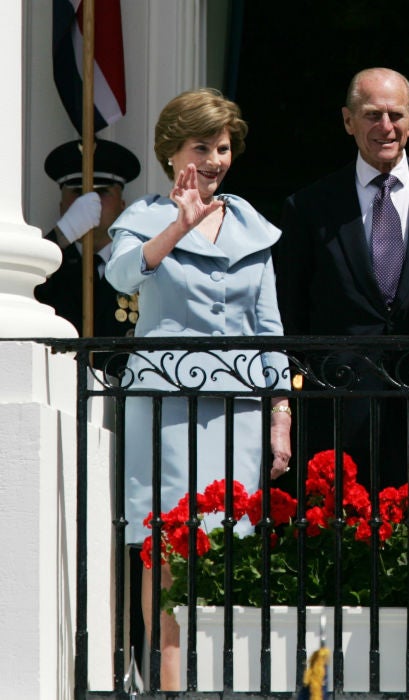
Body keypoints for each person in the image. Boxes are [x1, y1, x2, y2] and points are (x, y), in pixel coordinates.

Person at [106, 88, 291, 690]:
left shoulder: (251, 227)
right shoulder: (145, 217)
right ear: (171, 152)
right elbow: (120, 275)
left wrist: (279, 414)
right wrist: (178, 226)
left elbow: (268, 330)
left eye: (223, 146)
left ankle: (221, 680)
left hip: (236, 409)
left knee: (229, 544)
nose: (214, 159)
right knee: (161, 547)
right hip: (165, 409)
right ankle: (164, 681)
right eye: (201, 147)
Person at [273, 67, 409, 487]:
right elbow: (290, 312)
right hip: (337, 405)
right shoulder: (310, 206)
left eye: (396, 115)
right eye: (371, 115)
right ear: (348, 120)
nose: (386, 127)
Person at [36, 138, 141, 353]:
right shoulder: (48, 267)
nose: (89, 201)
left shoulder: (139, 260)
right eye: (77, 192)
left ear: (122, 206)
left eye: (102, 192)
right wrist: (61, 235)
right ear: (62, 206)